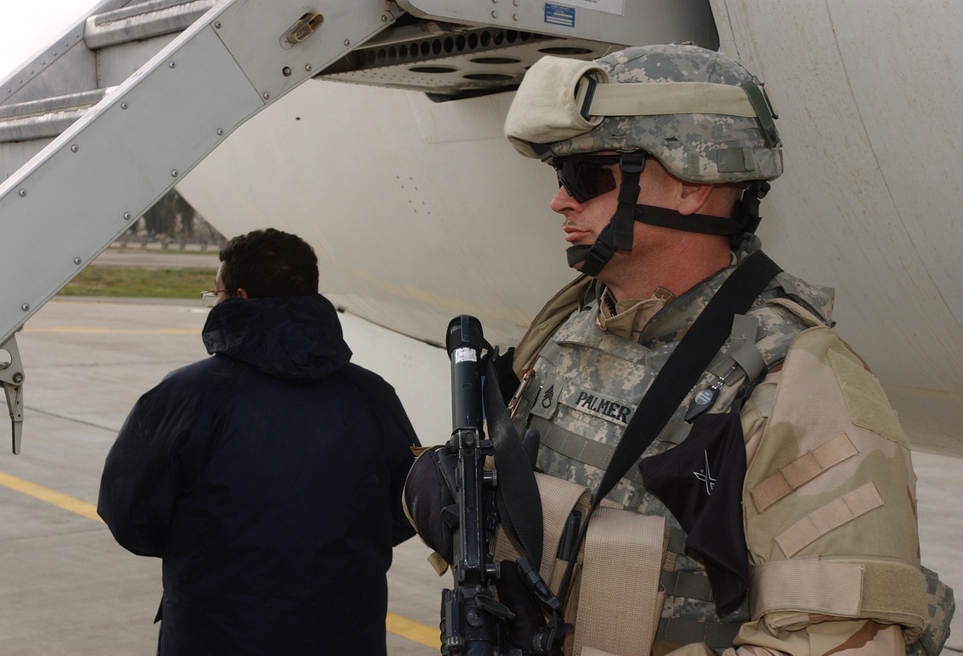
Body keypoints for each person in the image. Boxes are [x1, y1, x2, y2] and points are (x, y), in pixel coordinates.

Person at [406, 44, 952, 656]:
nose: (560, 201)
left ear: (692, 185)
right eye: (561, 177)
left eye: (585, 177)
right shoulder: (571, 324)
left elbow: (833, 642)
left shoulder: (795, 380)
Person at [97, 228, 420, 655]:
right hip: (344, 632)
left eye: (215, 293)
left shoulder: (184, 396)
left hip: (215, 633)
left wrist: (207, 551)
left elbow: (129, 515)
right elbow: (407, 507)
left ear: (240, 298)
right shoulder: (373, 396)